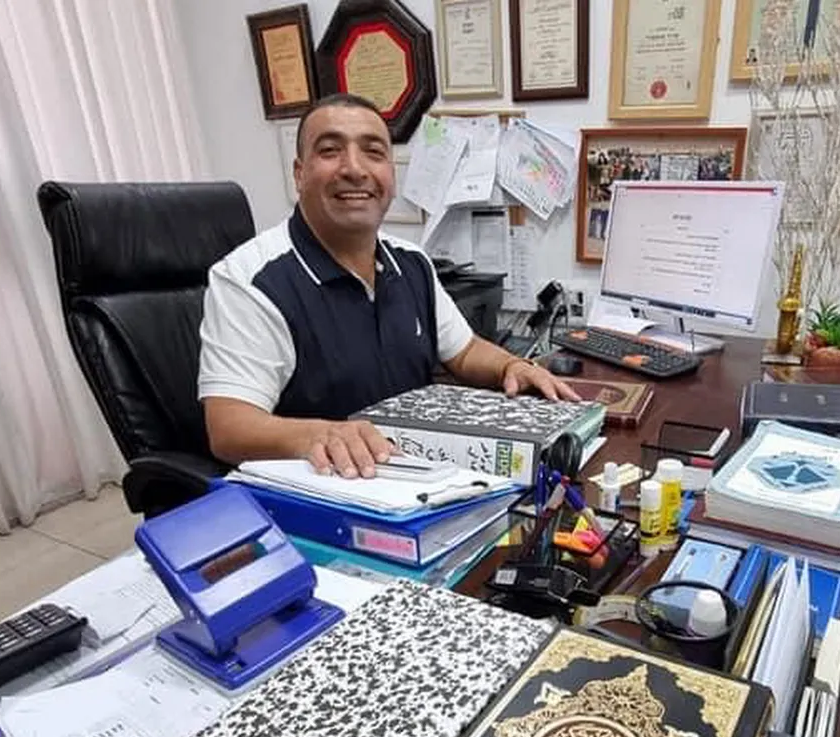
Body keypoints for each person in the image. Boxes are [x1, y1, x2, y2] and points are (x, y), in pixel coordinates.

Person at [199, 94, 578, 479]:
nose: (354, 168)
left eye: (373, 152)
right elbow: (229, 428)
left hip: (416, 476)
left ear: (390, 174)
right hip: (326, 487)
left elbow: (463, 351)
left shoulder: (411, 262)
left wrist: (511, 366)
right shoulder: (251, 280)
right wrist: (324, 435)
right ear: (299, 173)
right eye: (330, 150)